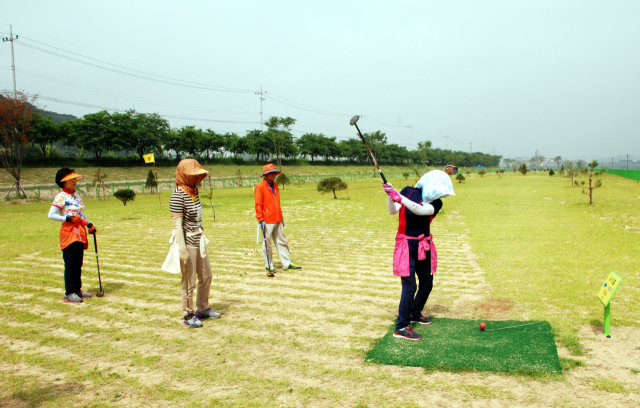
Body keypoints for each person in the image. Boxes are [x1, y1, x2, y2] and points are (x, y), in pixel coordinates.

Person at [384, 170, 454, 340]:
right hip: (406, 244)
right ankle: (401, 327)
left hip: (424, 245)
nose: (441, 194)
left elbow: (421, 210)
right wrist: (391, 194)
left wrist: (401, 198)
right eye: (439, 189)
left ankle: (415, 313)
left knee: (427, 283)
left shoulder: (436, 203)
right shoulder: (408, 191)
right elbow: (393, 210)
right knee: (410, 286)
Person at [169, 159, 220, 328]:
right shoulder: (178, 194)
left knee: (206, 276)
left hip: (199, 240)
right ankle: (189, 313)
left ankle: (203, 308)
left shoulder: (193, 192)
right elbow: (177, 225)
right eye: (195, 176)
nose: (198, 179)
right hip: (187, 241)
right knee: (189, 280)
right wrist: (182, 249)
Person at [48, 168, 96, 303]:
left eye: (75, 178)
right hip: (69, 232)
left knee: (78, 262)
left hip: (80, 231)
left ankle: (77, 290)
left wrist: (89, 224)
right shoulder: (60, 197)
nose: (74, 181)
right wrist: (67, 219)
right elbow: (51, 214)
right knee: (70, 263)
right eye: (71, 179)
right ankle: (69, 293)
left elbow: (80, 213)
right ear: (63, 182)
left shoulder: (76, 195)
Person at [254, 163, 301, 277]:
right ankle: (269, 265)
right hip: (267, 220)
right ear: (266, 175)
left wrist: (281, 217)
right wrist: (260, 219)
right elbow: (258, 204)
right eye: (271, 173)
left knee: (282, 242)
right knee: (267, 244)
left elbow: (277, 203)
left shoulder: (275, 185)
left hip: (278, 219)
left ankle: (287, 264)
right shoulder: (260, 187)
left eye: (275, 173)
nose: (274, 175)